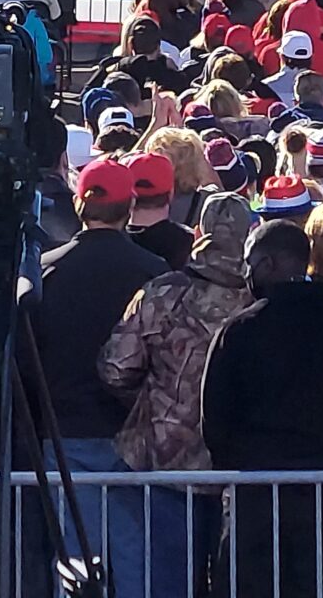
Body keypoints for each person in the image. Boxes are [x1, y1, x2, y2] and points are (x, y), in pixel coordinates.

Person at [202, 220, 323, 598]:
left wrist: (246, 461)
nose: (245, 272)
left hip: (257, 495)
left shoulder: (240, 331)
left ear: (268, 264)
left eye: (249, 262)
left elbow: (214, 419)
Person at [98, 192, 253, 598]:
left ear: (199, 232)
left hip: (159, 463)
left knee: (160, 585)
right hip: (237, 473)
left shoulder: (162, 293)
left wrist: (151, 401)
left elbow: (116, 367)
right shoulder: (259, 302)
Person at [32, 158, 165, 580]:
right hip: (130, 431)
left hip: (65, 428)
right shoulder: (154, 271)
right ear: (129, 208)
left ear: (78, 204)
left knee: (72, 559)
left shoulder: (46, 270)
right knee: (132, 556)